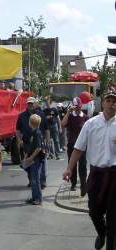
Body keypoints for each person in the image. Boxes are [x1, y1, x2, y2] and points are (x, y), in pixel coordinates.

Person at [63, 90, 116, 250]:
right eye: (109, 100)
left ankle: (111, 242)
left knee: (114, 217)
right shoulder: (91, 123)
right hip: (96, 174)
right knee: (94, 212)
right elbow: (78, 148)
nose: (112, 103)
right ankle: (102, 232)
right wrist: (69, 169)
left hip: (114, 175)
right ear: (103, 102)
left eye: (115, 101)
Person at [16, 96, 49, 189]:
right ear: (27, 104)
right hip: (27, 143)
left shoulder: (41, 114)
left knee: (41, 163)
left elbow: (46, 129)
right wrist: (19, 140)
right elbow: (18, 129)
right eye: (29, 103)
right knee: (27, 164)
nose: (30, 105)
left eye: (32, 103)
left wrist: (47, 141)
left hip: (39, 142)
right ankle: (32, 180)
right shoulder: (21, 116)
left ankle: (42, 181)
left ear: (35, 104)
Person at [62, 97, 88, 196]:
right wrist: (68, 112)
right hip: (72, 145)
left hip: (83, 146)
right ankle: (73, 183)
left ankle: (83, 185)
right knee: (72, 165)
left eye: (79, 107)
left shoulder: (85, 117)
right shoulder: (70, 116)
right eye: (76, 107)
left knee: (83, 166)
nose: (78, 109)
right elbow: (63, 124)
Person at [23, 114, 45, 205]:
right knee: (33, 178)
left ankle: (38, 198)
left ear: (30, 123)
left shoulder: (37, 133)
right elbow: (32, 147)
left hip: (36, 159)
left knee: (35, 179)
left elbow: (38, 148)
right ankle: (34, 197)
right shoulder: (34, 132)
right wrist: (26, 156)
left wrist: (31, 158)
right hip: (32, 159)